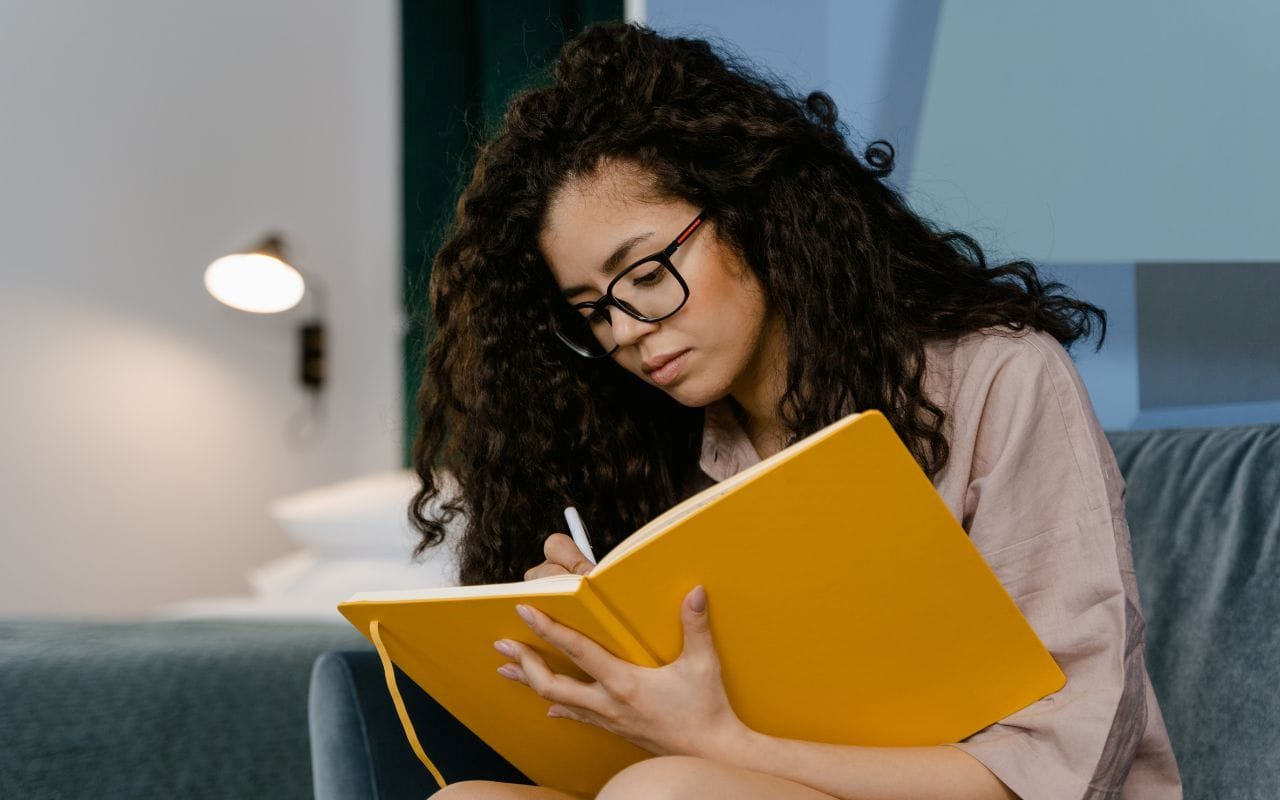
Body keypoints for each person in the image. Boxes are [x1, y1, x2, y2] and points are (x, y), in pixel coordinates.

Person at [406, 20, 1182, 800]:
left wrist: (716, 743)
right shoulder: (648, 445)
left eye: (645, 274)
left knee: (665, 794)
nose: (629, 332)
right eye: (593, 311)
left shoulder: (999, 378)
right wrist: (597, 653)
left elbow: (1062, 761)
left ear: (749, 209)